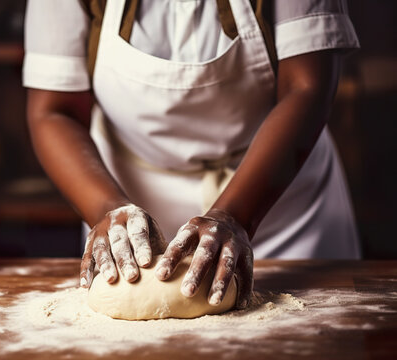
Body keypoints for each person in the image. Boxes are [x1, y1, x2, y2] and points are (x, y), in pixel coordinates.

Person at [23, 0, 361, 309]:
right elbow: (55, 110)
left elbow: (306, 87)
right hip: (125, 193)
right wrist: (106, 208)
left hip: (279, 199)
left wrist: (236, 216)